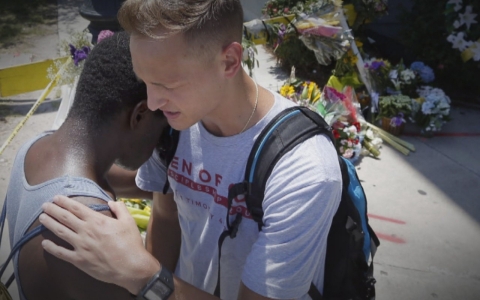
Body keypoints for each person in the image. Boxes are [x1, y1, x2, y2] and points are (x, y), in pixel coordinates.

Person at [38, 1, 343, 299]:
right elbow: (167, 216)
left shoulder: (304, 171)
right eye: (145, 82)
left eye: (167, 85)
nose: (153, 103)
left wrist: (143, 275)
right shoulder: (176, 127)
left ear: (229, 62)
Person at [5, 32, 168, 300]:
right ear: (140, 115)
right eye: (164, 128)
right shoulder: (89, 223)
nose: (161, 144)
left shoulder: (37, 148)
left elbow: (131, 180)